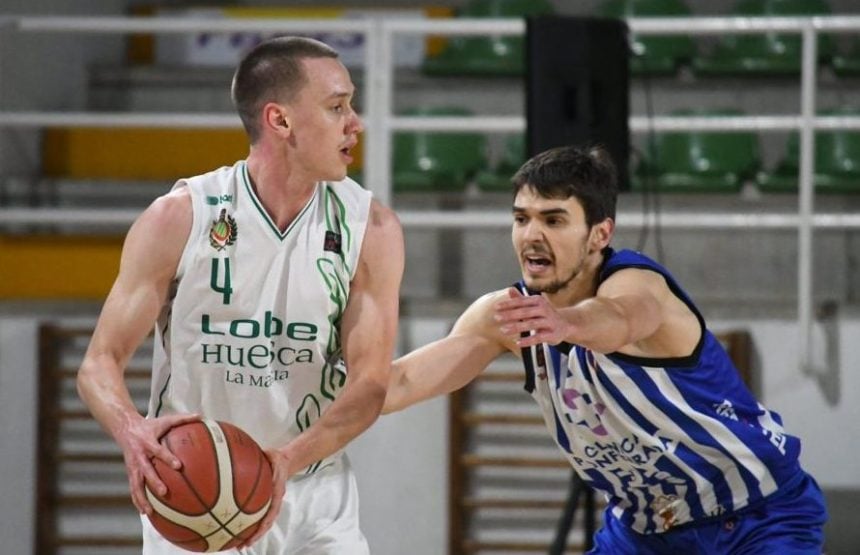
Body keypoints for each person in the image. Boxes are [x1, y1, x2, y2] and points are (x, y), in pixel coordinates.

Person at [383, 144, 827, 554]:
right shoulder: (507, 314)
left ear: (599, 234)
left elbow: (620, 318)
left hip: (754, 516)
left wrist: (564, 323)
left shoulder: (639, 283)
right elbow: (401, 381)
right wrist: (321, 394)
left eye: (553, 220)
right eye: (522, 219)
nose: (531, 235)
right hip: (643, 529)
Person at [77, 36, 404, 554]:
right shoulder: (181, 216)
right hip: (193, 486)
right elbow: (99, 362)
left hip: (313, 492)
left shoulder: (371, 228)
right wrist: (131, 431)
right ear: (280, 120)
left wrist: (283, 462)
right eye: (337, 106)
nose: (355, 123)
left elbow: (368, 386)